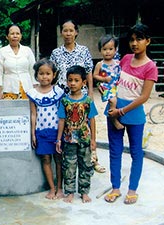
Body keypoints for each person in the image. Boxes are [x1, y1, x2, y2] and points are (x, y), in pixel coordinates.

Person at [104, 23, 158, 204]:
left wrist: (122, 111)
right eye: (132, 39)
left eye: (139, 39)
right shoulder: (125, 59)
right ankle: (115, 187)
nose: (135, 43)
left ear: (148, 41)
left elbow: (144, 97)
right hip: (114, 111)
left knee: (136, 152)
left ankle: (132, 189)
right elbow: (114, 81)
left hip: (133, 113)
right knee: (115, 151)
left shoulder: (151, 67)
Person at [56, 65, 97, 203]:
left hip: (85, 139)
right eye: (70, 80)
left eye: (76, 80)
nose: (72, 83)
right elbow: (61, 120)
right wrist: (58, 139)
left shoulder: (88, 101)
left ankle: (84, 192)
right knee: (69, 166)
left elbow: (92, 120)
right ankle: (70, 192)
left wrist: (93, 140)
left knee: (85, 165)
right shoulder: (64, 101)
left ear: (83, 82)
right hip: (68, 140)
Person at [26, 58, 65, 200]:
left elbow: (62, 115)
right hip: (41, 132)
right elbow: (33, 114)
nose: (45, 76)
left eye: (48, 73)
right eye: (41, 73)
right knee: (46, 159)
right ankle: (51, 188)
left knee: (59, 159)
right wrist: (33, 134)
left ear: (54, 75)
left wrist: (61, 135)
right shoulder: (33, 93)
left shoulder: (59, 92)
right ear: (36, 75)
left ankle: (60, 187)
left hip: (57, 132)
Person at [50, 19, 94, 98]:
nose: (68, 34)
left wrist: (90, 93)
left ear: (76, 32)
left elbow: (89, 72)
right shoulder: (56, 53)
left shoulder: (84, 51)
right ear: (61, 33)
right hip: (61, 95)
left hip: (81, 94)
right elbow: (52, 74)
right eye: (65, 31)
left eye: (71, 30)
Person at [0, 24, 38, 100]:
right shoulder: (2, 52)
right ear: (7, 36)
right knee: (9, 111)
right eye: (12, 34)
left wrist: (36, 90)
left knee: (27, 111)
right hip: (9, 89)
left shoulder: (27, 50)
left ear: (21, 36)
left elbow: (33, 71)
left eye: (17, 33)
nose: (15, 36)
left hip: (27, 88)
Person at [93, 34, 123, 130]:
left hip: (116, 87)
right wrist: (104, 79)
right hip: (106, 87)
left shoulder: (118, 63)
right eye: (104, 49)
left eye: (110, 49)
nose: (107, 52)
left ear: (115, 49)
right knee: (113, 101)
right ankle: (113, 119)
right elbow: (95, 75)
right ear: (100, 50)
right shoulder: (100, 64)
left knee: (119, 101)